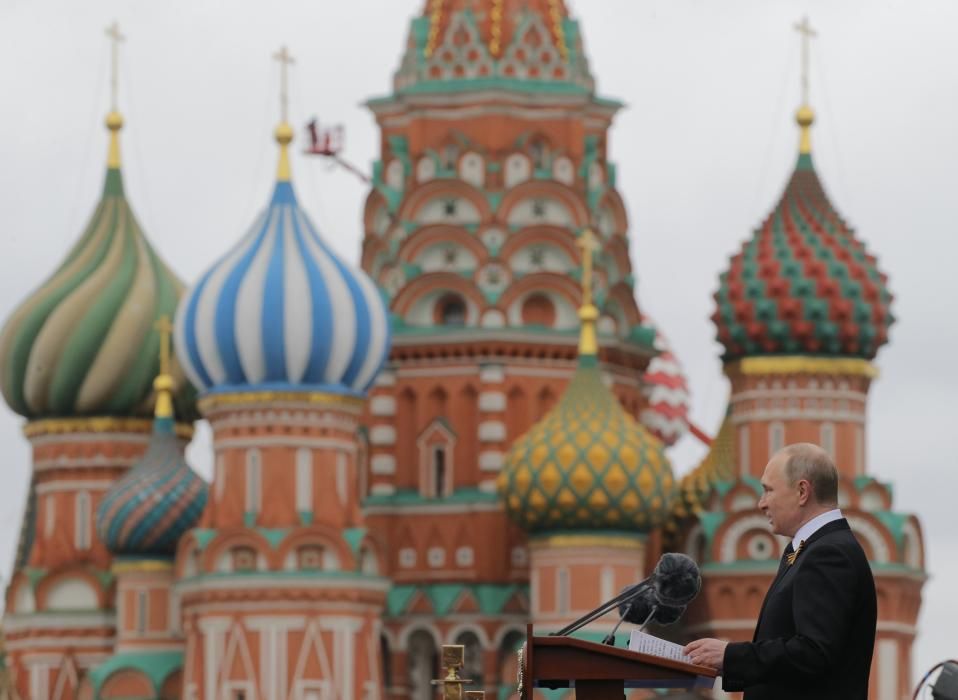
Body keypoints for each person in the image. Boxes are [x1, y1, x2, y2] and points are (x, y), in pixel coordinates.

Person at [683, 443, 877, 700]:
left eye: (768, 490)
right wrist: (728, 663)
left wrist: (730, 656)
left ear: (802, 491)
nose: (762, 503)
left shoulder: (828, 554)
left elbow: (813, 652)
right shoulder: (806, 549)